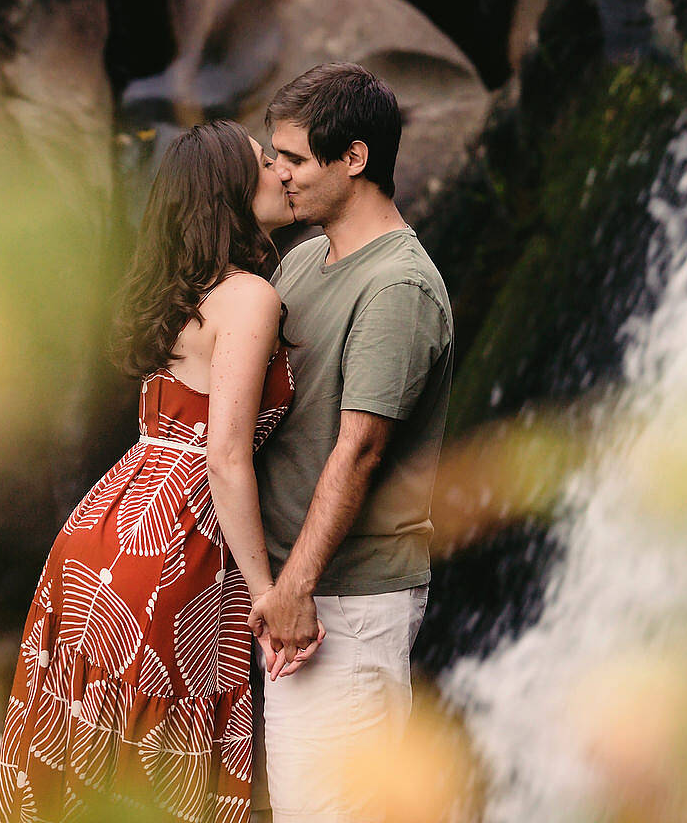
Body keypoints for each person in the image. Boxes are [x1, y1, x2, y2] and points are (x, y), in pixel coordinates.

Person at [0, 120, 323, 823]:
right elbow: (225, 455)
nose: (283, 172)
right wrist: (269, 597)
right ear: (231, 188)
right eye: (266, 162)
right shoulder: (249, 297)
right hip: (174, 542)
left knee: (84, 752)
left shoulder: (179, 288)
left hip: (102, 530)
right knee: (156, 769)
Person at [250, 63, 455, 822]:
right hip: (290, 598)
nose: (280, 174)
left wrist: (298, 588)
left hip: (345, 605)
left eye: (295, 159)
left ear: (355, 158)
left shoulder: (398, 287)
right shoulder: (305, 260)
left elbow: (359, 451)